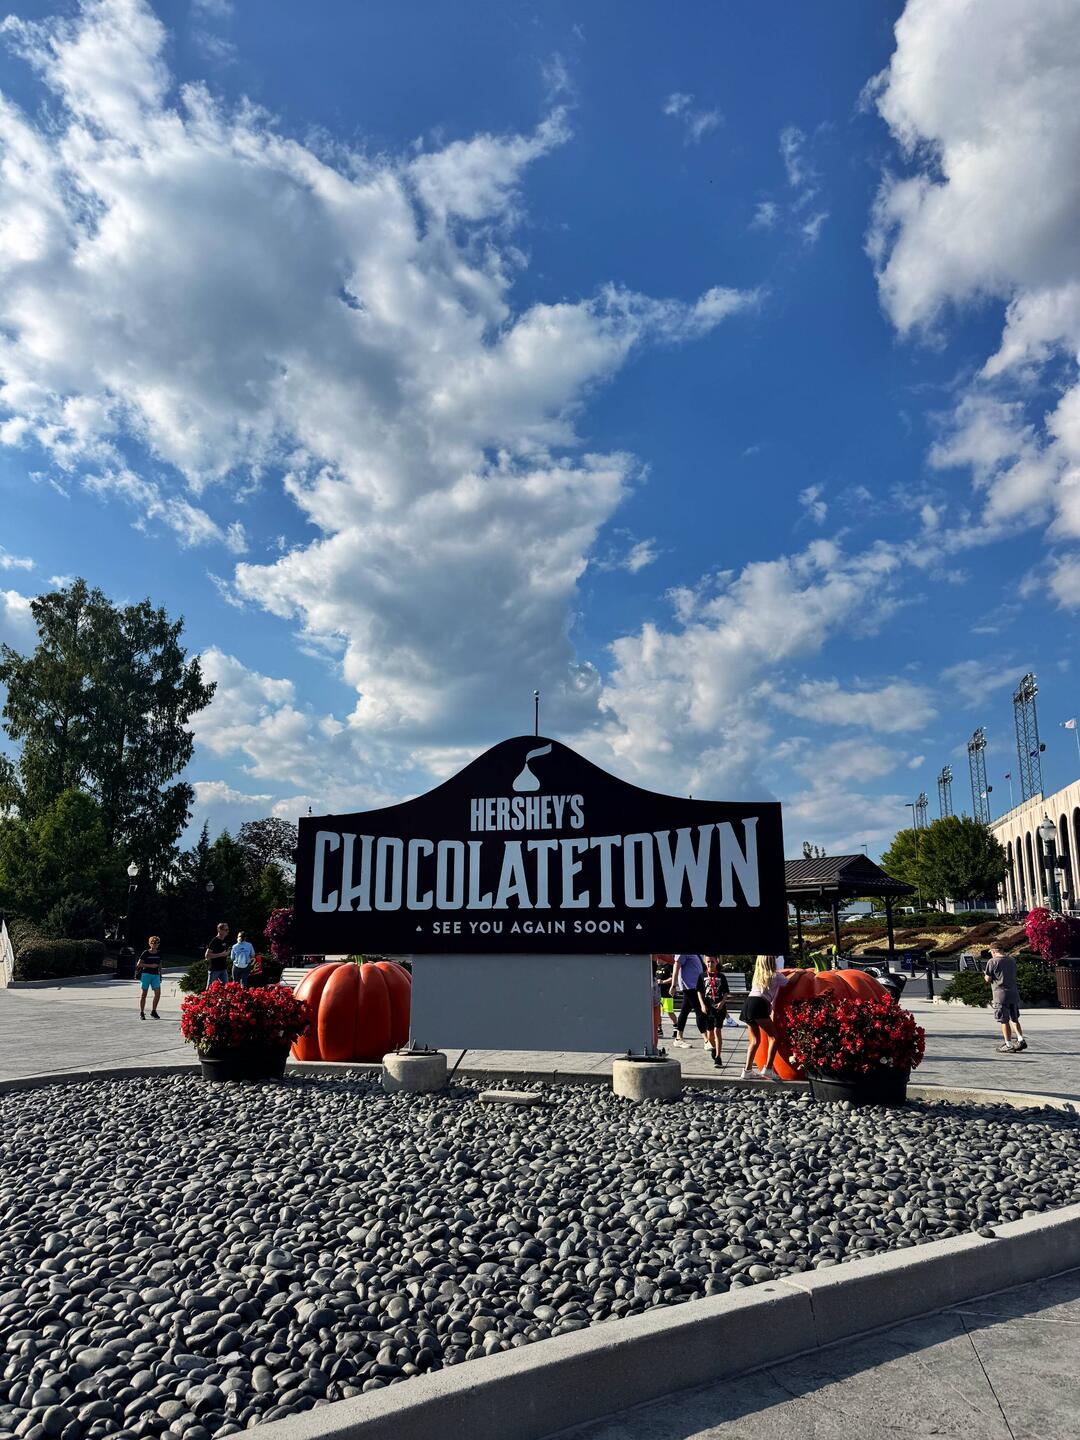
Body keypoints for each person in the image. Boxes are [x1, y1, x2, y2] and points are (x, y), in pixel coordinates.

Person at [739, 954, 788, 1081]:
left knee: (755, 1040)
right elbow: (790, 982)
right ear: (772, 962)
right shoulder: (776, 976)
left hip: (748, 1003)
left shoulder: (758, 976)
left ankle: (747, 1071)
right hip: (759, 1005)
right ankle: (768, 1069)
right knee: (774, 1037)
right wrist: (799, 973)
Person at [983, 944, 1027, 1053]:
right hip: (1013, 993)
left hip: (1000, 994)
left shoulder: (992, 962)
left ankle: (1008, 1044)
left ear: (993, 951)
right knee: (1014, 1018)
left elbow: (988, 979)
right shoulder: (1012, 960)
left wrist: (985, 975)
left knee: (1004, 1020)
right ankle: (1020, 1039)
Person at [696, 956, 730, 1067]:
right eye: (708, 962)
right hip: (707, 1009)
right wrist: (702, 1005)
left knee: (717, 1031)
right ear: (705, 962)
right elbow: (699, 991)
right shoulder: (702, 976)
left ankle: (718, 1057)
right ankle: (714, 1048)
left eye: (712, 962)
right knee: (710, 1034)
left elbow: (726, 992)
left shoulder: (721, 976)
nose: (710, 964)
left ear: (717, 962)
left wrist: (722, 1003)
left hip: (719, 1009)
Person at [670, 953, 704, 1048]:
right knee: (699, 1011)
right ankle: (706, 1039)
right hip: (689, 987)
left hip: (696, 986)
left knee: (684, 1012)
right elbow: (676, 965)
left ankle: (678, 1038)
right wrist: (673, 985)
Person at [136, 935, 163, 1020]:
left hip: (156, 975)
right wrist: (150, 965)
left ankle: (153, 1011)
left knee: (158, 994)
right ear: (149, 943)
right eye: (153, 942)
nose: (155, 944)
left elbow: (160, 964)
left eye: (157, 943)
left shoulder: (159, 953)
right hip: (146, 975)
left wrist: (160, 975)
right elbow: (139, 964)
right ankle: (142, 1012)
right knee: (144, 994)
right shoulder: (146, 953)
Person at [205, 922, 230, 987]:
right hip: (214, 969)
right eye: (226, 930)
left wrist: (227, 953)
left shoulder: (225, 940)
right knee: (210, 988)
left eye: (228, 929)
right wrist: (221, 954)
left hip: (223, 968)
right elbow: (207, 955)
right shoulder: (214, 941)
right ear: (219, 930)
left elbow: (225, 952)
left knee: (227, 988)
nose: (227, 931)